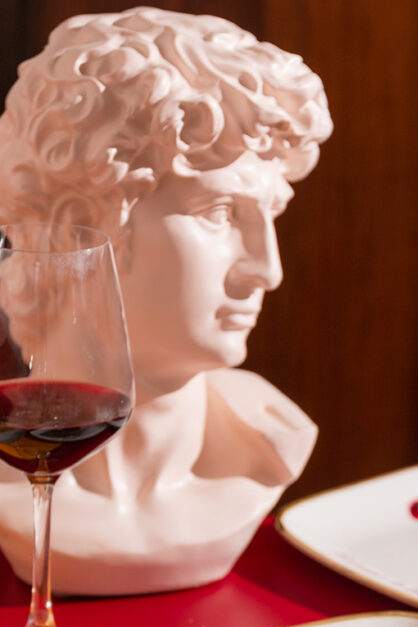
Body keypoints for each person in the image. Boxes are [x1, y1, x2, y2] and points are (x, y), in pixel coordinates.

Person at [0, 6, 333, 593]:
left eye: (270, 216)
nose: (267, 270)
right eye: (219, 213)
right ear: (77, 227)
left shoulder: (273, 444)